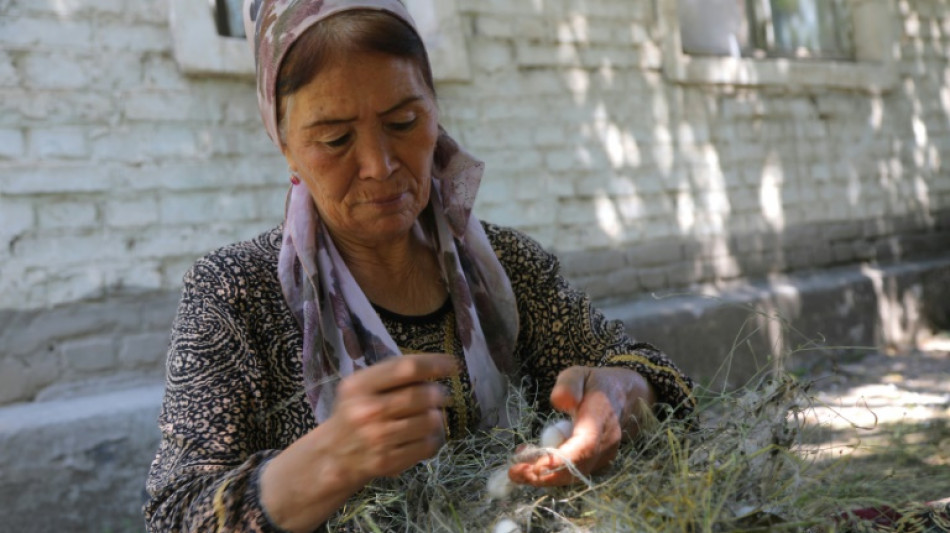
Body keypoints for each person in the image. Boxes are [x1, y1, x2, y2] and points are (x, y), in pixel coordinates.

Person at [143, 0, 695, 531]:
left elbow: (658, 378)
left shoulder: (507, 269)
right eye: (335, 138)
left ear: (434, 109)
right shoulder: (235, 295)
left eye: (404, 122)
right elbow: (176, 513)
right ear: (284, 143)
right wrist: (327, 460)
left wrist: (622, 395)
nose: (379, 167)